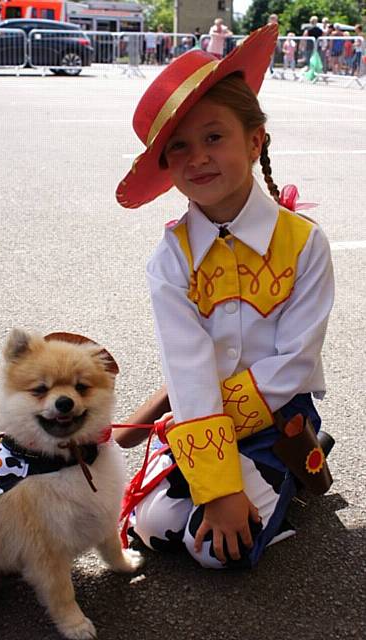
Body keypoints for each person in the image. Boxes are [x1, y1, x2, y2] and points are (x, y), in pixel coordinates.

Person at [115, 24, 335, 570]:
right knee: (151, 525)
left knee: (218, 551)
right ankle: (292, 468)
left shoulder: (305, 244)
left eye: (214, 136)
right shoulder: (171, 258)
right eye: (179, 147)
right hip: (201, 412)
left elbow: (294, 362)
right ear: (166, 168)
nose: (198, 158)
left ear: (255, 139)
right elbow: (188, 370)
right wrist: (215, 478)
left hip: (276, 413)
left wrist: (220, 482)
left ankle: (299, 454)